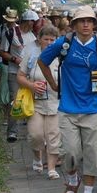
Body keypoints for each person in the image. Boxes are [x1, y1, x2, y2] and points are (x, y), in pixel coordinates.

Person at [38, 5, 97, 193]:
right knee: (70, 153)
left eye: (89, 21)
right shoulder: (64, 43)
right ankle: (73, 179)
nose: (86, 24)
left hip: (93, 108)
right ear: (74, 24)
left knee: (93, 153)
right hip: (68, 108)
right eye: (81, 21)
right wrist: (53, 84)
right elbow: (43, 61)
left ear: (94, 24)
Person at [17, 24, 61, 179]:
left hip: (57, 104)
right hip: (35, 103)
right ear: (39, 40)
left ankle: (51, 168)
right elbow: (20, 76)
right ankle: (37, 157)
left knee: (53, 136)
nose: (49, 42)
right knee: (36, 135)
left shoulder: (61, 57)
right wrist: (32, 85)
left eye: (52, 39)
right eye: (46, 39)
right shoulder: (32, 56)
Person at [0, 9, 38, 142]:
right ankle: (12, 131)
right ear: (25, 21)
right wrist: (15, 60)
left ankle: (32, 131)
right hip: (14, 72)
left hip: (29, 74)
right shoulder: (10, 33)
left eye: (34, 22)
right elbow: (2, 52)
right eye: (31, 22)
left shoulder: (33, 37)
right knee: (15, 101)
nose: (33, 25)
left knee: (31, 102)